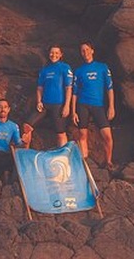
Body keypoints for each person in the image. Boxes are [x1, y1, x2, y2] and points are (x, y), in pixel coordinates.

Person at [71, 40, 116, 169]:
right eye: (82, 51)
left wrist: (111, 106)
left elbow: (109, 88)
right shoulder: (79, 71)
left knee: (107, 135)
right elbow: (74, 93)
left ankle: (108, 161)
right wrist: (73, 111)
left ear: (92, 51)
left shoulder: (102, 67)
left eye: (87, 50)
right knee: (83, 135)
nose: (85, 53)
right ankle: (84, 162)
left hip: (98, 106)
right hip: (82, 105)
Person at [22, 45, 74, 148]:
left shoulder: (65, 67)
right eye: (51, 52)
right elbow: (40, 88)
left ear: (60, 55)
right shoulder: (45, 70)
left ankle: (63, 156)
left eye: (56, 53)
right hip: (45, 104)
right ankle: (26, 153)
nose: (53, 55)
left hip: (58, 105)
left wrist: (67, 105)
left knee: (60, 133)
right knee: (27, 126)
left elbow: (69, 88)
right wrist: (39, 101)